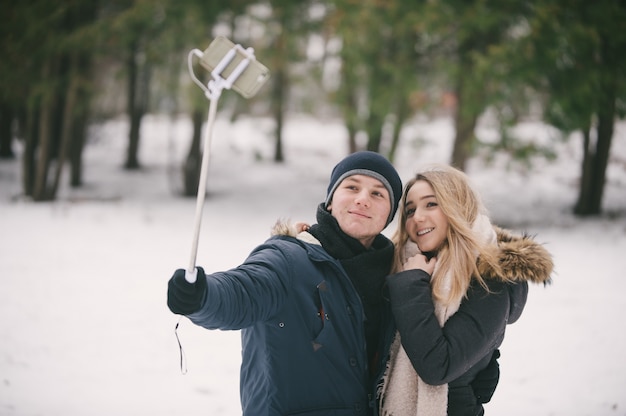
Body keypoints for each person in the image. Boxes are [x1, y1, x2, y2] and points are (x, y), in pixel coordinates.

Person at [167, 151, 404, 415]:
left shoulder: (394, 277)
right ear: (330, 201)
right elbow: (243, 289)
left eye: (377, 194)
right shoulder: (288, 261)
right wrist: (202, 296)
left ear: (390, 215)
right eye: (352, 187)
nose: (362, 200)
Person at [378, 164, 553, 416]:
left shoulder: (489, 282)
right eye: (410, 209)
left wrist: (412, 284)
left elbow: (437, 367)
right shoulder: (400, 264)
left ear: (458, 207)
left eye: (431, 204)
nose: (417, 217)